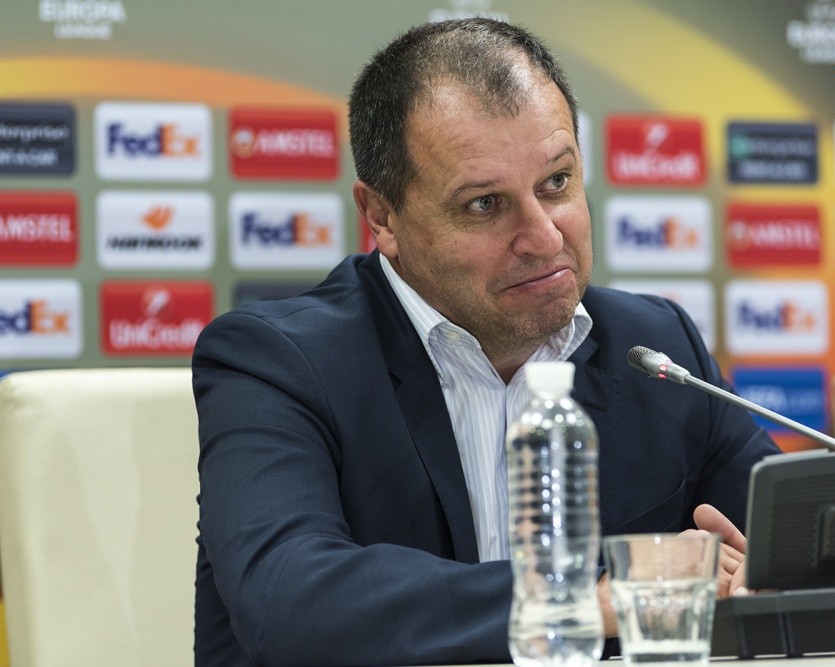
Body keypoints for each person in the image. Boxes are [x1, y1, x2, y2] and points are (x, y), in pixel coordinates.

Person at [192, 17, 780, 667]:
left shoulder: (655, 348)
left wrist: (763, 580)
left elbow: (788, 551)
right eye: (484, 205)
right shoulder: (278, 362)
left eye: (556, 182)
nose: (545, 237)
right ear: (382, 216)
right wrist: (596, 596)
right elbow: (290, 600)